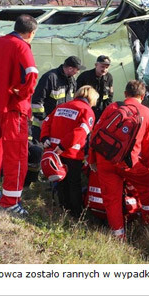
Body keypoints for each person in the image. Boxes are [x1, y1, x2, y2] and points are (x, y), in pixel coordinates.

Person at [0, 14, 39, 215]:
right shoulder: (21, 47)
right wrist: (20, 93)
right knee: (17, 155)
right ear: (31, 33)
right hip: (13, 108)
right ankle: (10, 200)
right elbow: (31, 75)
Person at [88, 80, 149, 239]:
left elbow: (95, 134)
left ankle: (118, 235)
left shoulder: (112, 107)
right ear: (143, 96)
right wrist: (146, 166)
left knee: (111, 200)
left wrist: (93, 160)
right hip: (130, 163)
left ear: (125, 94)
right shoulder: (148, 113)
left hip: (105, 160)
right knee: (147, 187)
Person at [40, 85, 99, 218]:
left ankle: (63, 208)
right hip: (71, 153)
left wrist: (45, 138)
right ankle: (76, 213)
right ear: (92, 99)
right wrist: (63, 146)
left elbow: (46, 122)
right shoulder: (87, 111)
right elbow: (81, 132)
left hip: (55, 152)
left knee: (61, 181)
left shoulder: (61, 106)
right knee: (74, 184)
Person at [31, 56, 85, 141]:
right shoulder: (50, 77)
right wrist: (43, 120)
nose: (78, 72)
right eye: (77, 70)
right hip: (43, 125)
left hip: (59, 126)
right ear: (70, 68)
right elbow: (37, 101)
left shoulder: (72, 81)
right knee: (39, 150)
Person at [76, 55, 114, 119]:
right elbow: (77, 94)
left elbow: (110, 95)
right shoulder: (85, 76)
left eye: (107, 67)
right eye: (102, 67)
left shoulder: (109, 77)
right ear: (96, 65)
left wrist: (108, 111)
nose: (104, 69)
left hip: (101, 111)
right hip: (87, 110)